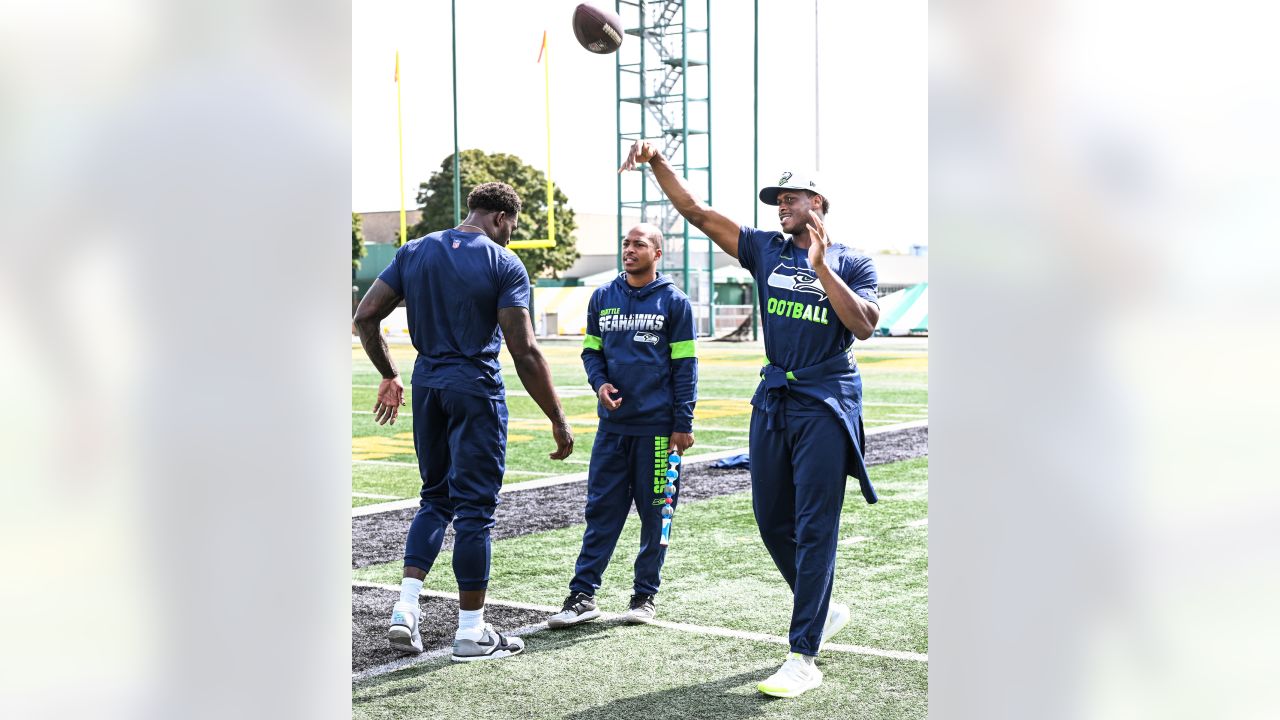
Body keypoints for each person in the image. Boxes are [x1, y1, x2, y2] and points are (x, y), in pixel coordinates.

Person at [620, 142, 880, 698]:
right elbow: (696, 213)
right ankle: (824, 607)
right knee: (770, 519)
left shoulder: (853, 261)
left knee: (816, 527)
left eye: (791, 198)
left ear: (819, 203)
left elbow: (863, 325)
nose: (781, 206)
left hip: (827, 402)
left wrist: (821, 271)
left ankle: (803, 654)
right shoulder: (764, 248)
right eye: (776, 199)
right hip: (775, 398)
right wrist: (658, 163)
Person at [353, 181, 574, 663]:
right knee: (475, 511)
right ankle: (471, 632)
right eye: (511, 228)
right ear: (499, 218)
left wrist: (390, 374)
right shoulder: (503, 262)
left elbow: (366, 315)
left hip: (428, 385)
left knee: (434, 499)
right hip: (474, 389)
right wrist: (558, 418)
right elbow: (525, 350)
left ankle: (405, 609)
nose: (510, 236)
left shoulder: (415, 250)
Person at [546, 223, 698, 629]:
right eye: (626, 244)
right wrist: (599, 385)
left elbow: (685, 368)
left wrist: (683, 424)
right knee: (601, 511)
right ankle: (582, 596)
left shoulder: (675, 303)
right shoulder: (603, 297)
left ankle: (644, 595)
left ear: (657, 254)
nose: (629, 250)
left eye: (639, 244)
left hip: (658, 432)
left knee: (656, 514)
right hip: (612, 430)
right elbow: (591, 353)